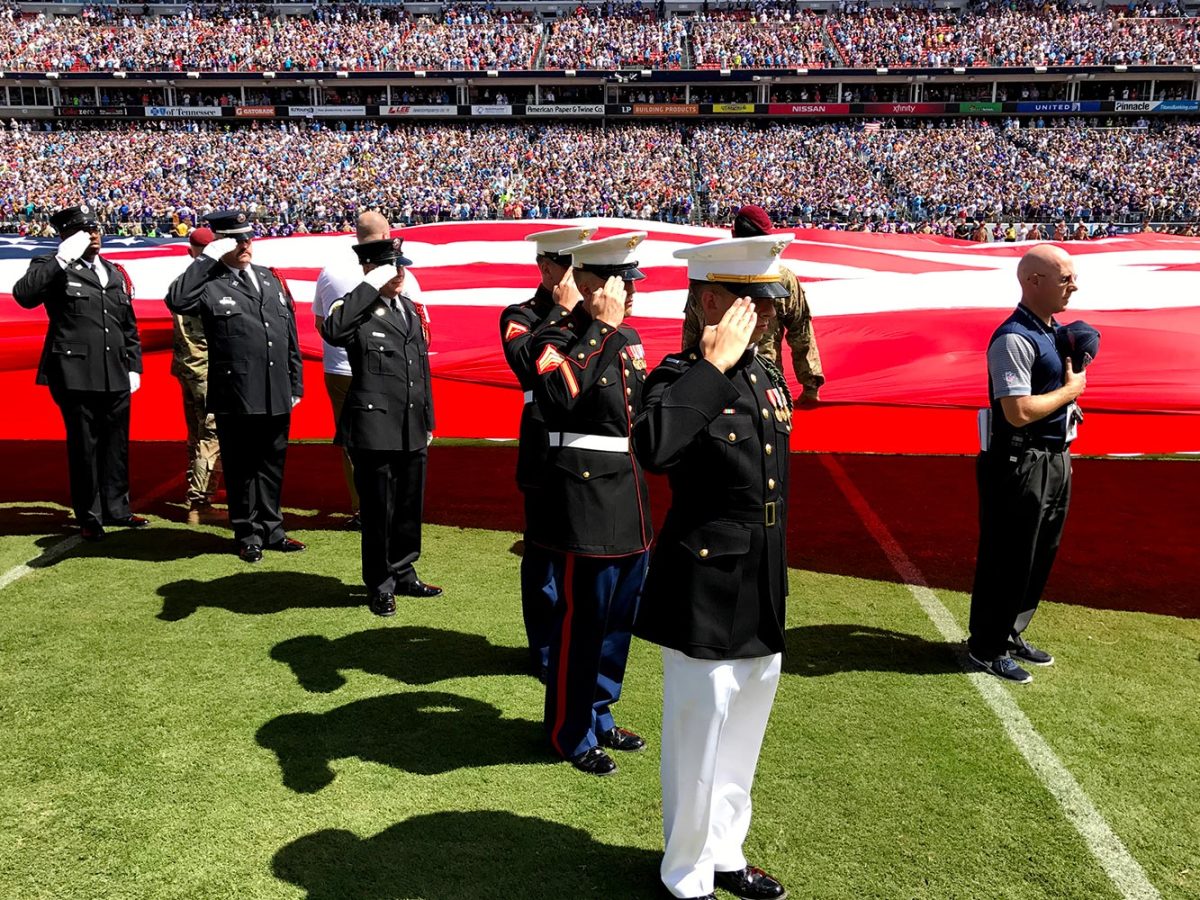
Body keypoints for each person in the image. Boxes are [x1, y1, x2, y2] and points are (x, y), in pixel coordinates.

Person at [632, 235, 794, 900]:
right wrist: (711, 366)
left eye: (767, 302)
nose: (765, 314)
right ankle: (687, 873)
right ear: (707, 301)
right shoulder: (678, 376)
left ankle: (725, 851)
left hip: (761, 581)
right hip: (705, 583)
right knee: (699, 739)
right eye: (749, 302)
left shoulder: (765, 377)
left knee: (742, 736)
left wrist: (735, 364)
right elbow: (654, 447)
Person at [528, 232, 653, 776]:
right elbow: (557, 399)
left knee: (617, 621)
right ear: (590, 285)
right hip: (583, 499)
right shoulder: (555, 333)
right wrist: (596, 327)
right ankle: (568, 731)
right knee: (583, 623)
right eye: (625, 283)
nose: (634, 294)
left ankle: (600, 713)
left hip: (628, 496)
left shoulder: (627, 336)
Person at [967, 244, 1086, 684]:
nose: (1073, 285)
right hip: (1020, 460)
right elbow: (1015, 410)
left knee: (1040, 553)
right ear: (1033, 281)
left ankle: (1010, 632)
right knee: (1008, 556)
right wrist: (1071, 392)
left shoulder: (1051, 331)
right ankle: (985, 646)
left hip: (1052, 457)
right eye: (1065, 278)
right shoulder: (1014, 337)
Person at [167, 209, 305, 563]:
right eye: (236, 240)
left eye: (248, 238)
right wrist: (206, 260)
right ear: (220, 243)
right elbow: (177, 300)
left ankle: (273, 528)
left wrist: (295, 380)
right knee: (242, 467)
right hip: (237, 392)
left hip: (275, 388)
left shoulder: (269, 278)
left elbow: (287, 333)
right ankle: (247, 533)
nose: (245, 245)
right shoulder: (208, 282)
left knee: (272, 463)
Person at [320, 238, 441, 617]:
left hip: (410, 423)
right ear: (371, 269)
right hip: (375, 426)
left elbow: (420, 370)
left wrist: (429, 420)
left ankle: (404, 571)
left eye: (401, 266)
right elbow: (334, 330)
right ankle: (380, 584)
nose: (400, 273)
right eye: (391, 267)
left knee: (408, 506)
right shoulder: (354, 309)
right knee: (378, 511)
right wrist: (370, 286)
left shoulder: (409, 310)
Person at [13, 204, 147, 541]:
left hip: (115, 369)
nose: (94, 235)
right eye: (84, 230)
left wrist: (133, 364)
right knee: (85, 446)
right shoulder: (51, 266)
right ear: (67, 236)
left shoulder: (114, 272)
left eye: (96, 228)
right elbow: (24, 295)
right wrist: (60, 258)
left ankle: (117, 508)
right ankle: (89, 515)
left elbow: (127, 325)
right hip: (74, 371)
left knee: (117, 443)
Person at [499, 225, 596, 681]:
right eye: (569, 268)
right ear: (545, 268)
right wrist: (560, 311)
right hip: (544, 447)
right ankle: (543, 647)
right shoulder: (519, 314)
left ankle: (576, 637)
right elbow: (527, 369)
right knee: (542, 554)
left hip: (591, 449)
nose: (579, 277)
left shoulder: (596, 316)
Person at [313, 211, 425, 530]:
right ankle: (380, 508)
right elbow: (419, 328)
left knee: (355, 448)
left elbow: (320, 322)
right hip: (385, 371)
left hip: (338, 368)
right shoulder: (397, 273)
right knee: (391, 443)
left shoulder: (330, 270)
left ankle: (362, 507)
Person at [681, 204, 824, 405]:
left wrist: (688, 377)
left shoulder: (709, 280)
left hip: (716, 379)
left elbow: (693, 331)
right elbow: (801, 331)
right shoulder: (783, 278)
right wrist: (810, 384)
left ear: (733, 233)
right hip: (764, 381)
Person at [165, 226, 223, 526]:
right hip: (208, 368)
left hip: (187, 367)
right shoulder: (211, 283)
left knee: (196, 435)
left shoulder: (183, 282)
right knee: (212, 434)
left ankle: (196, 495)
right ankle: (199, 502)